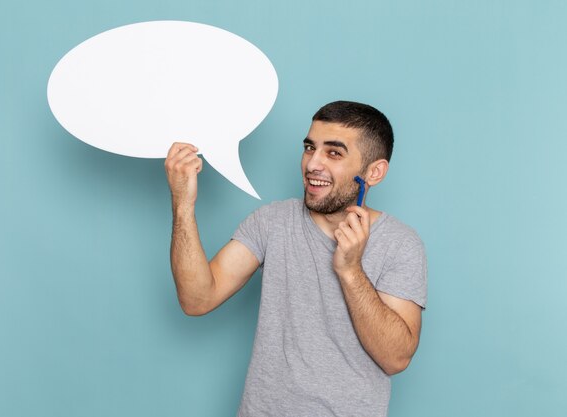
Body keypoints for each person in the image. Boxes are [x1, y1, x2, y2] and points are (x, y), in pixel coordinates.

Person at [164, 101, 427, 417]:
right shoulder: (271, 221)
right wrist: (183, 203)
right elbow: (196, 300)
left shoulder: (400, 243)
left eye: (333, 153)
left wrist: (350, 269)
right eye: (309, 148)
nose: (312, 164)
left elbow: (395, 358)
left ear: (373, 172)